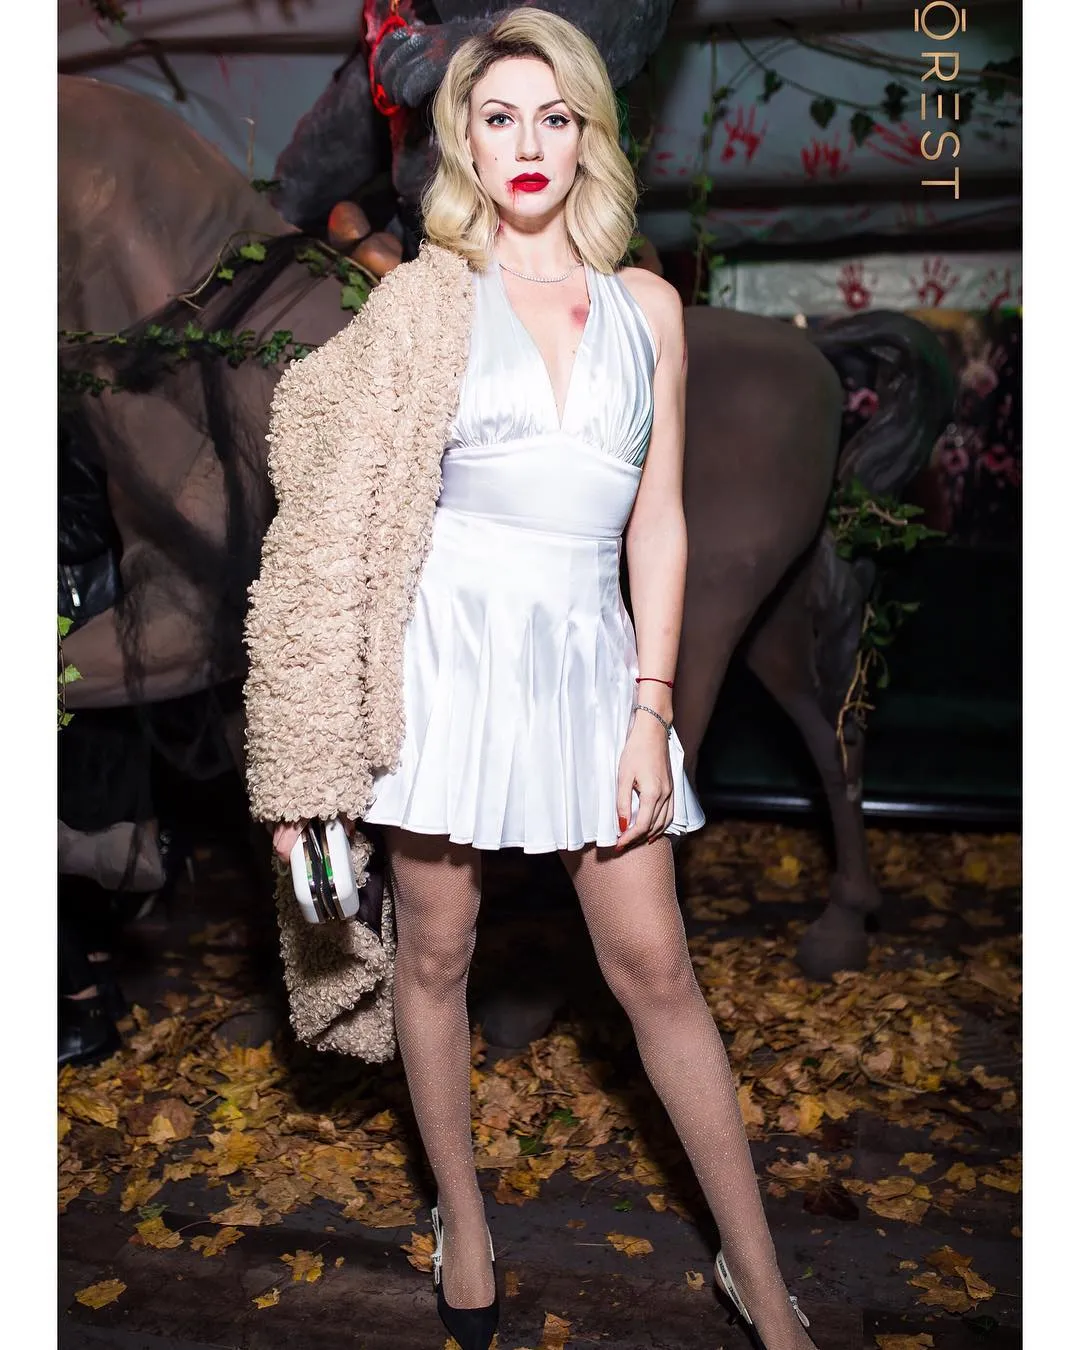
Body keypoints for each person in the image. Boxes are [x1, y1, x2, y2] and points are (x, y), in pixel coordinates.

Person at [254, 10, 817, 1350]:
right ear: (464, 139)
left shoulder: (648, 310)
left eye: (553, 117)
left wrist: (651, 708)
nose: (526, 142)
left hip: (590, 666)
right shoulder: (423, 304)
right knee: (435, 951)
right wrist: (305, 763)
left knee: (657, 969)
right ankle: (464, 1217)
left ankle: (758, 1274)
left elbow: (658, 525)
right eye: (499, 116)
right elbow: (328, 521)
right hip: (445, 662)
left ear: (586, 139)